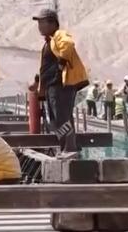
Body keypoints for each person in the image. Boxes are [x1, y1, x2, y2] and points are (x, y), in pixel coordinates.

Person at [32, 9, 89, 150]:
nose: (39, 26)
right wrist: (38, 82)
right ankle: (66, 147)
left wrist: (61, 63)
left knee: (62, 118)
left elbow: (68, 44)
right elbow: (46, 67)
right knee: (58, 119)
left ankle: (69, 148)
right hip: (52, 86)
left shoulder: (58, 35)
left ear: (52, 23)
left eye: (42, 22)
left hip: (60, 86)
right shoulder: (49, 42)